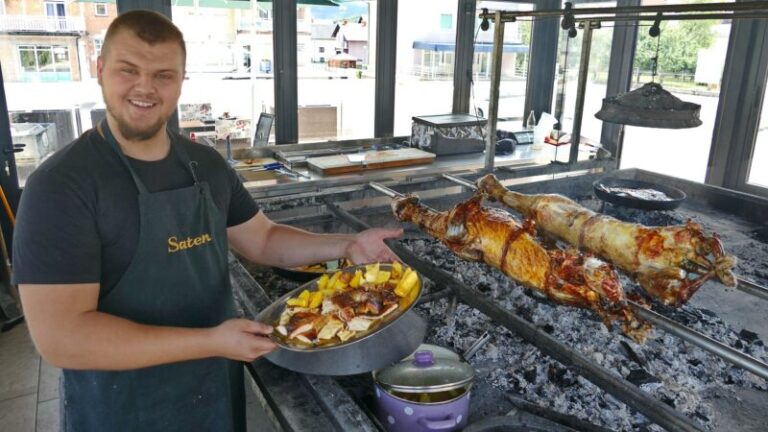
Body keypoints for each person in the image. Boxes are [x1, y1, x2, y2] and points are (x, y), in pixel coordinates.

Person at [12, 10, 401, 432]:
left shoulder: (205, 164)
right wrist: (211, 341)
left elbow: (263, 239)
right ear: (100, 69)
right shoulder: (60, 185)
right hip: (121, 410)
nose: (145, 87)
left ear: (181, 81)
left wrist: (346, 245)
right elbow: (63, 339)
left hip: (212, 397)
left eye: (163, 75)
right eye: (128, 70)